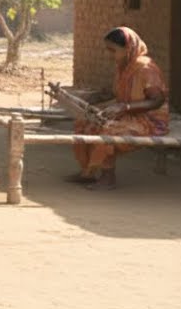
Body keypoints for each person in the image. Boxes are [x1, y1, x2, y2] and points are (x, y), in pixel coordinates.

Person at [69, 27, 170, 190]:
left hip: (149, 121)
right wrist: (96, 98)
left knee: (107, 131)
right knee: (84, 124)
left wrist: (125, 107)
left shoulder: (146, 69)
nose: (110, 55)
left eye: (113, 50)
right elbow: (117, 91)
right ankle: (88, 172)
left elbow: (157, 101)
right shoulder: (124, 67)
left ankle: (108, 177)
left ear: (128, 48)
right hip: (129, 115)